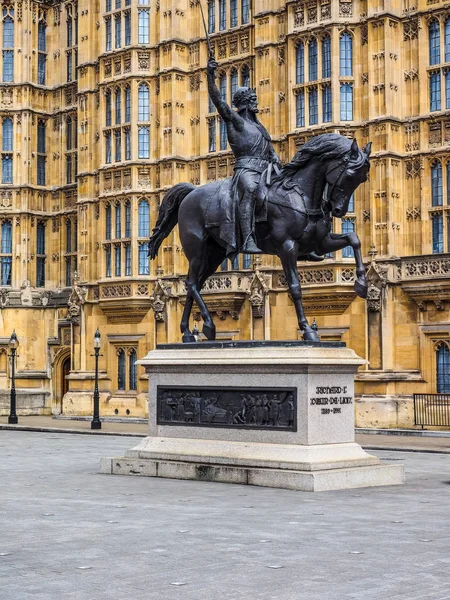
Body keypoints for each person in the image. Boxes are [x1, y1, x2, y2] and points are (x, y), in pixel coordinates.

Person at [207, 58, 281, 253]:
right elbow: (218, 101)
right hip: (246, 170)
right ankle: (248, 239)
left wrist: (274, 157)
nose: (256, 103)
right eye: (252, 100)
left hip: (266, 170)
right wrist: (210, 76)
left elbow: (269, 149)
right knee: (249, 189)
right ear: (245, 104)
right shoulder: (236, 121)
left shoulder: (259, 127)